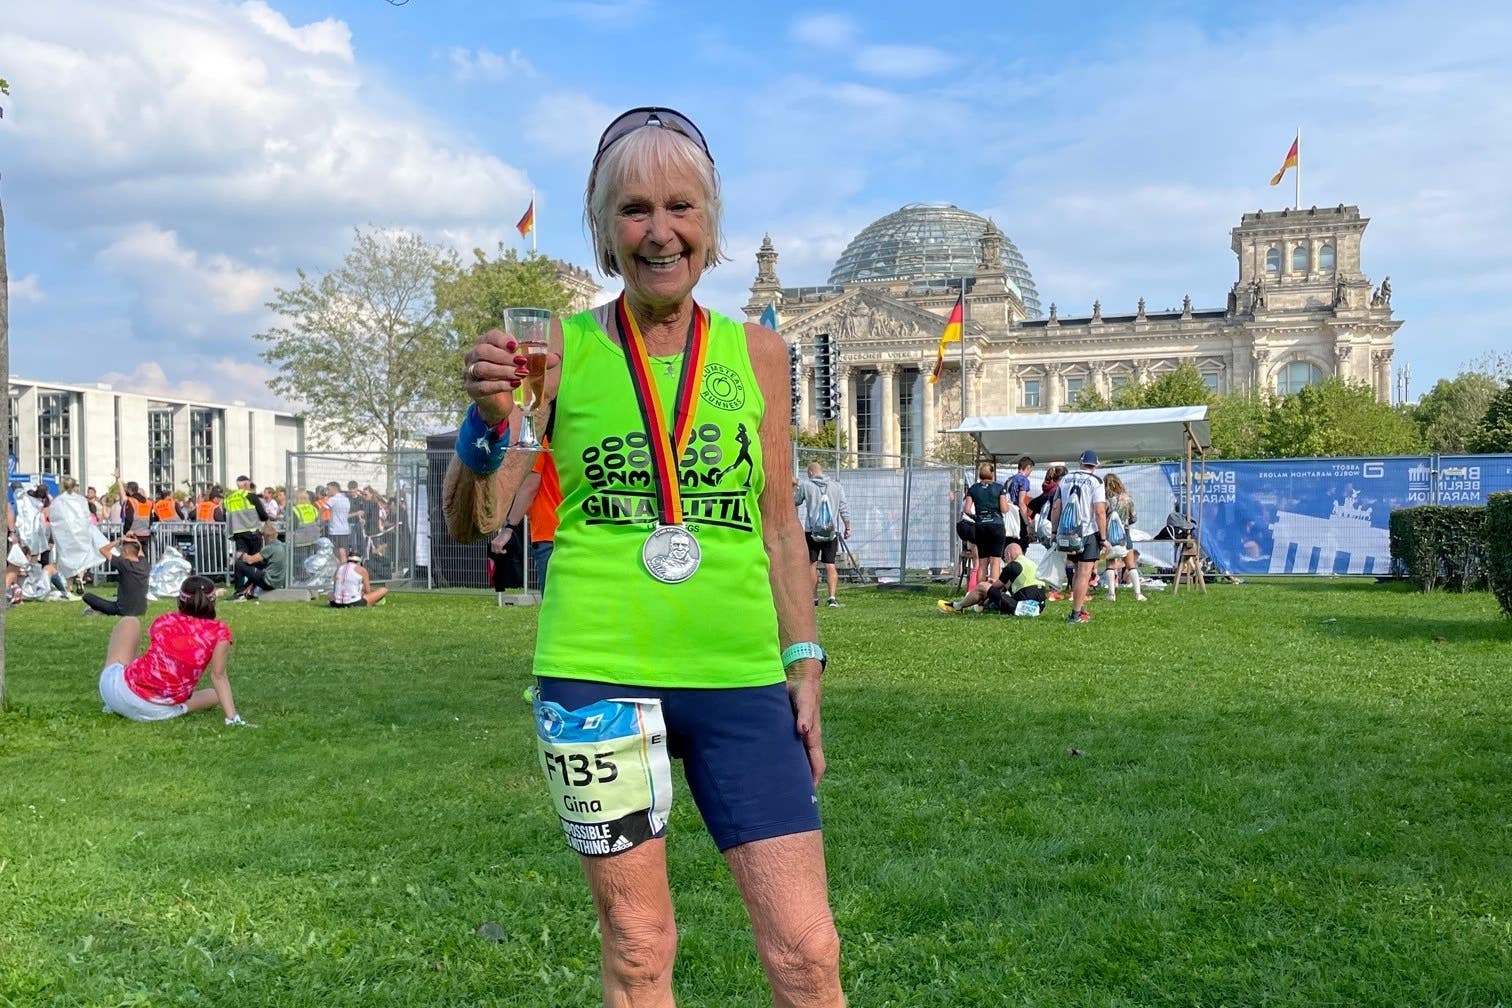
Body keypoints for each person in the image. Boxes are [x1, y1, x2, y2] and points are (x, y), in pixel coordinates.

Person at [445, 106, 843, 1006]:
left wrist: (804, 657)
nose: (659, 232)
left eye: (680, 207)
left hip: (739, 678)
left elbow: (780, 526)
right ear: (603, 229)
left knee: (806, 952)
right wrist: (487, 423)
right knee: (637, 946)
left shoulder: (761, 354)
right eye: (633, 210)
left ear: (710, 223)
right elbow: (479, 520)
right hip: (596, 678)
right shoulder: (552, 352)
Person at [97, 575, 249, 725]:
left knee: (130, 622)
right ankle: (229, 717)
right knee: (215, 695)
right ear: (214, 602)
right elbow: (218, 676)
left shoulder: (165, 621)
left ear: (179, 601)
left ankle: (123, 685)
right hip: (157, 711)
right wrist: (232, 716)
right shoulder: (219, 632)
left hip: (117, 695)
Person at [1050, 449, 1108, 624]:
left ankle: (1080, 607)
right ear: (1095, 465)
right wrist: (1103, 537)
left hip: (1068, 531)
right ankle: (1075, 614)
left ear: (1081, 462)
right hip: (1087, 532)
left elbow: (1056, 507)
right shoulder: (1096, 482)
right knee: (1084, 572)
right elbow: (1099, 511)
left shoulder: (1065, 480)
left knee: (1076, 571)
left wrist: (1054, 531)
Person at [795, 461, 851, 608]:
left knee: (811, 564)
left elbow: (795, 501)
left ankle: (814, 598)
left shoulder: (806, 486)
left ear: (811, 473)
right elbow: (844, 508)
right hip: (831, 532)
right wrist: (848, 527)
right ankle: (832, 598)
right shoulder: (836, 486)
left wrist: (793, 487)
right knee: (830, 564)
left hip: (812, 531)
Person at [936, 542, 1048, 615]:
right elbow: (1021, 587)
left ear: (1008, 554)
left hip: (1023, 607)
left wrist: (989, 586)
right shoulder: (1032, 564)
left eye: (1005, 557)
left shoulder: (1012, 566)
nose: (1005, 559)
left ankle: (957, 607)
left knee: (982, 586)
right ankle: (982, 606)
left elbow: (990, 589)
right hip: (1038, 607)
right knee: (994, 590)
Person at [82, 531, 151, 617]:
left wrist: (119, 540)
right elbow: (139, 549)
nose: (120, 553)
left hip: (122, 610)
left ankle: (99, 611)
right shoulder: (144, 564)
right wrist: (134, 539)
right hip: (141, 610)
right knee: (113, 598)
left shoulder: (123, 564)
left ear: (125, 551)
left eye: (121, 551)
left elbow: (103, 550)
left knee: (87, 596)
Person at [1101, 473, 1146, 603]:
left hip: (1109, 535)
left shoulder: (1104, 500)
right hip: (1124, 534)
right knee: (1130, 564)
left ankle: (1111, 594)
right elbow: (1134, 518)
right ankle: (1138, 593)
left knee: (1110, 564)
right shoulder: (1127, 499)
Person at [964, 461, 1010, 587]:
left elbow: (967, 509)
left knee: (982, 562)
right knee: (995, 561)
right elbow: (1004, 509)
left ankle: (979, 596)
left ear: (980, 474)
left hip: (981, 526)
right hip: (996, 525)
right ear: (992, 473)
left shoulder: (973, 488)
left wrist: (977, 517)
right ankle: (991, 593)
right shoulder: (999, 488)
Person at [229, 523, 288, 600]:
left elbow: (250, 560)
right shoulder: (281, 545)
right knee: (258, 566)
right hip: (279, 582)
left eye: (263, 536)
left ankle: (239, 592)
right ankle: (247, 590)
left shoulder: (270, 547)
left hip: (269, 582)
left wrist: (242, 554)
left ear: (267, 537)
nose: (262, 538)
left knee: (239, 564)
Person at [223, 476, 268, 558]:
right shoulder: (250, 496)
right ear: (246, 484)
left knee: (241, 556)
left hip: (238, 533)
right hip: (252, 532)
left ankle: (240, 570)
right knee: (255, 557)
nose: (250, 487)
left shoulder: (228, 499)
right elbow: (263, 516)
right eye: (249, 485)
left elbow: (225, 516)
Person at [1005, 455, 1035, 554]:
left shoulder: (1009, 480)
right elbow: (1021, 502)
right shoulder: (1024, 480)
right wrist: (1027, 523)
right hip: (1017, 515)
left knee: (1009, 544)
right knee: (1021, 545)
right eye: (1031, 470)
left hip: (1007, 515)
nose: (1030, 473)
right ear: (1028, 467)